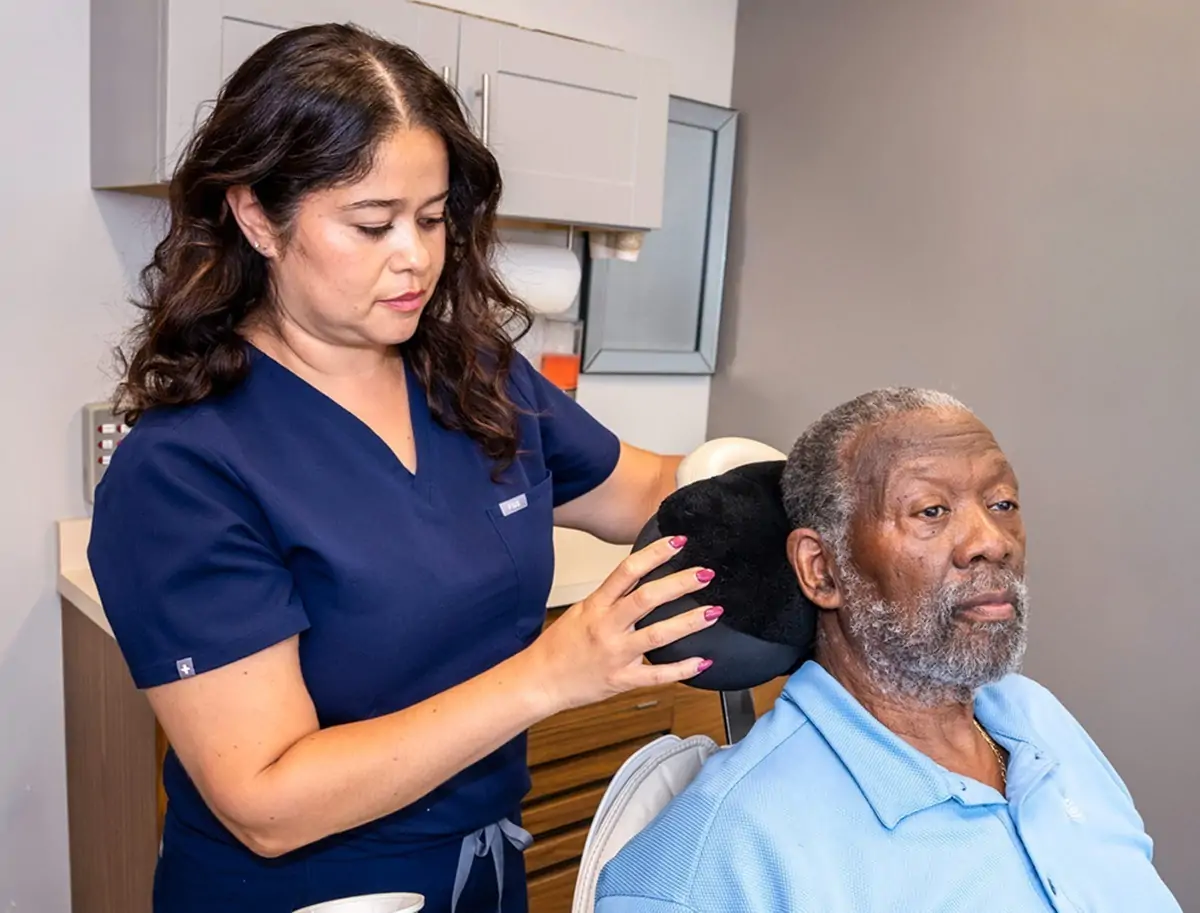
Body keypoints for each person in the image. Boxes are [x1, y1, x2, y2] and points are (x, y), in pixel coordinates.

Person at [86, 23, 726, 913]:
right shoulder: (184, 470)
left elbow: (653, 488)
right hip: (312, 892)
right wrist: (551, 671)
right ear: (256, 216)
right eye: (372, 223)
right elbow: (265, 800)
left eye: (432, 219)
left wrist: (830, 488)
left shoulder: (472, 378)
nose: (417, 257)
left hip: (482, 871)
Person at [595, 388, 1183, 912]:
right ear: (822, 570)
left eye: (1002, 503)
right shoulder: (719, 858)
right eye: (932, 511)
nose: (992, 542)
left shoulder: (1036, 719)